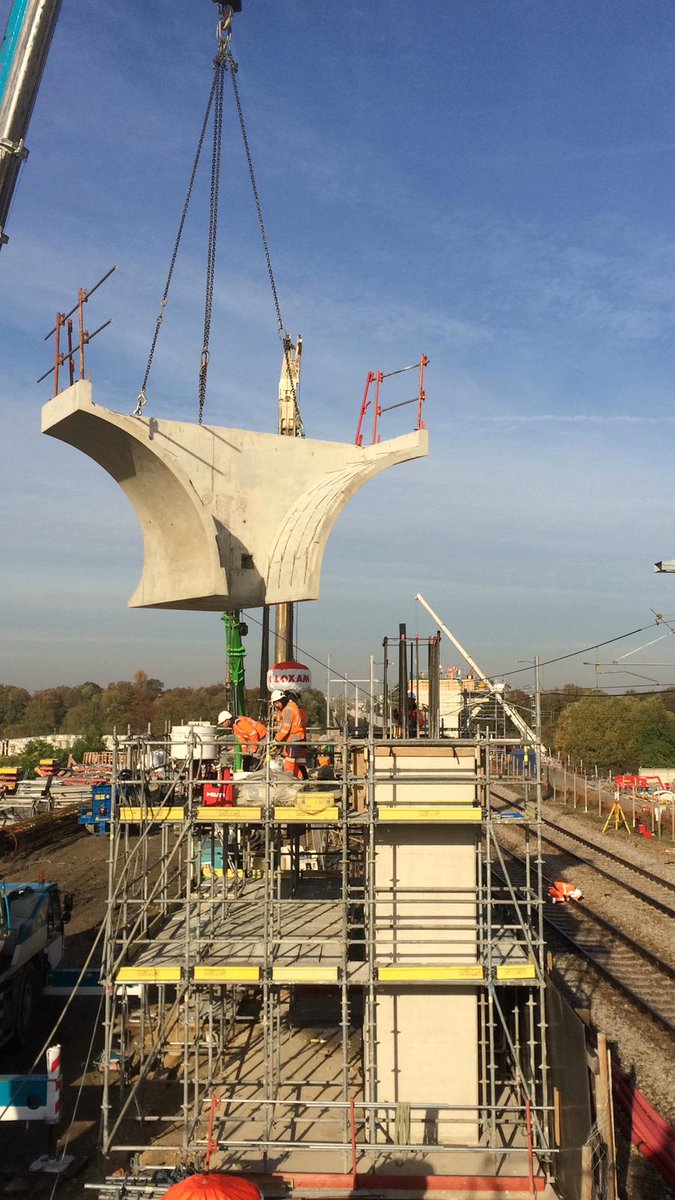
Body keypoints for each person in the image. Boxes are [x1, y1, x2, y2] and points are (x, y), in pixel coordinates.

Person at [272, 689, 308, 779]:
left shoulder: (288, 709)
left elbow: (285, 728)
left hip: (293, 738)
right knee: (299, 762)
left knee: (289, 761)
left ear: (281, 700)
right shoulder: (293, 707)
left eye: (276, 703)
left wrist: (276, 740)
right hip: (299, 737)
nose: (276, 706)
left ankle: (288, 781)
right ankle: (304, 780)